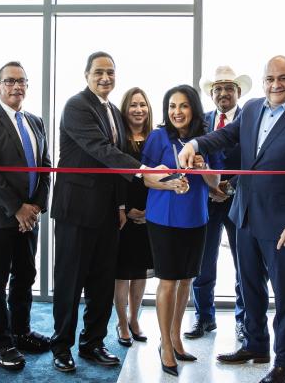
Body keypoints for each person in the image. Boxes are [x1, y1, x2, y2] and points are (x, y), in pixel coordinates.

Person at [178, 55, 285, 383]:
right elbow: (224, 137)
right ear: (262, 82)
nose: (276, 85)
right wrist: (194, 142)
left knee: (284, 294)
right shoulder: (251, 109)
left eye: (283, 78)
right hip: (244, 213)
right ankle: (256, 345)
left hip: (282, 224)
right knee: (249, 288)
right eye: (270, 79)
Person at [49, 52, 175, 373]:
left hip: (108, 213)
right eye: (99, 72)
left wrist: (120, 204)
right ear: (86, 74)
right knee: (70, 281)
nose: (105, 78)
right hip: (75, 211)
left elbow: (117, 156)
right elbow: (101, 151)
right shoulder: (77, 106)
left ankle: (92, 342)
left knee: (103, 282)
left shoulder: (113, 112)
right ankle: (61, 346)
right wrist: (146, 171)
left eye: (110, 72)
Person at [0, 61, 52, 371]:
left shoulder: (36, 121)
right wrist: (17, 208)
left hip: (29, 218)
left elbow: (45, 167)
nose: (16, 86)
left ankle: (21, 331)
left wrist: (37, 207)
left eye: (22, 81)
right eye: (9, 81)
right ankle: (0, 344)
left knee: (25, 277)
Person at [143, 85, 219, 376]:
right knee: (168, 282)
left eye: (183, 106)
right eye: (172, 106)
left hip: (197, 218)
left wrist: (203, 168)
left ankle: (176, 338)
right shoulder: (158, 137)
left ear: (193, 109)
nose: (177, 112)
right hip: (163, 218)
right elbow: (146, 178)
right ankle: (164, 344)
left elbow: (215, 184)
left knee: (186, 280)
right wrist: (169, 183)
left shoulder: (205, 140)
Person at [186, 66, 249, 341]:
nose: (223, 93)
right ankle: (204, 317)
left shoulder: (250, 119)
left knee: (244, 264)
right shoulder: (202, 122)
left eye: (229, 88)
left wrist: (229, 186)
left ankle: (243, 319)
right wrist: (211, 188)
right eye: (218, 89)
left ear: (238, 92)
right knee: (202, 263)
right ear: (212, 94)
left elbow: (253, 159)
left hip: (239, 201)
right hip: (207, 202)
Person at [113, 87, 154, 347]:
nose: (138, 109)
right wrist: (123, 208)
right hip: (123, 215)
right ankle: (120, 321)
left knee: (140, 272)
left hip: (149, 213)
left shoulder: (154, 138)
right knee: (121, 272)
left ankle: (134, 318)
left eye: (143, 104)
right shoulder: (118, 140)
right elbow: (115, 178)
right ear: (124, 109)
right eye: (133, 105)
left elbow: (161, 176)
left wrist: (151, 212)